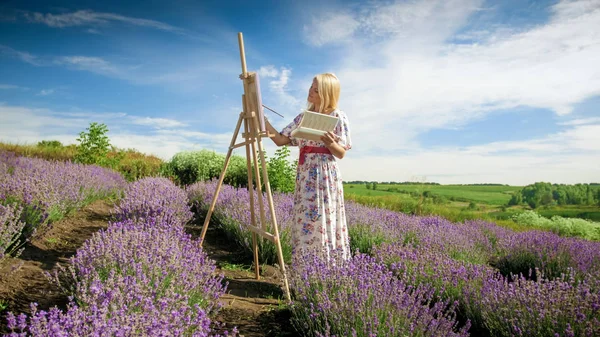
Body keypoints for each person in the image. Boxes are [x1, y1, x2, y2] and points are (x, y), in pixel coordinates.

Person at [264, 73, 352, 261]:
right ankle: (305, 270)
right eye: (311, 86)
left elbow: (341, 153)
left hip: (325, 176)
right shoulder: (303, 117)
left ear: (327, 93)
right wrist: (263, 121)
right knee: (306, 219)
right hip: (305, 176)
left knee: (324, 218)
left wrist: (329, 143)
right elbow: (281, 140)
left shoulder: (338, 116)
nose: (310, 91)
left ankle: (329, 269)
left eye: (316, 89)